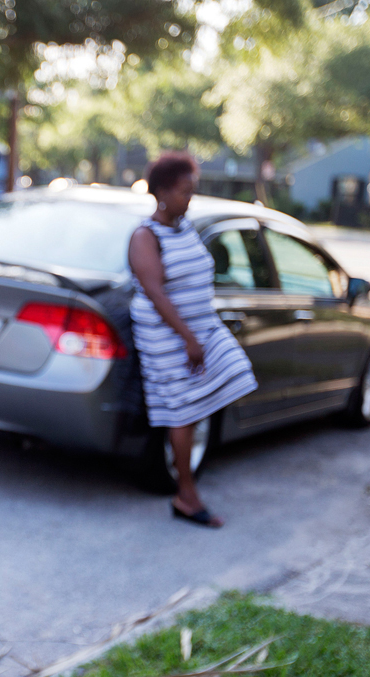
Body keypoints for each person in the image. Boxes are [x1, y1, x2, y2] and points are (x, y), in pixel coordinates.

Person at [127, 152, 258, 528]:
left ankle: (189, 478)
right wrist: (188, 338)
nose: (191, 198)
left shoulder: (183, 228)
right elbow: (155, 293)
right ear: (163, 192)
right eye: (186, 191)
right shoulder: (145, 236)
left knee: (227, 380)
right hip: (168, 337)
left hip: (201, 327)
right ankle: (186, 494)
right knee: (182, 412)